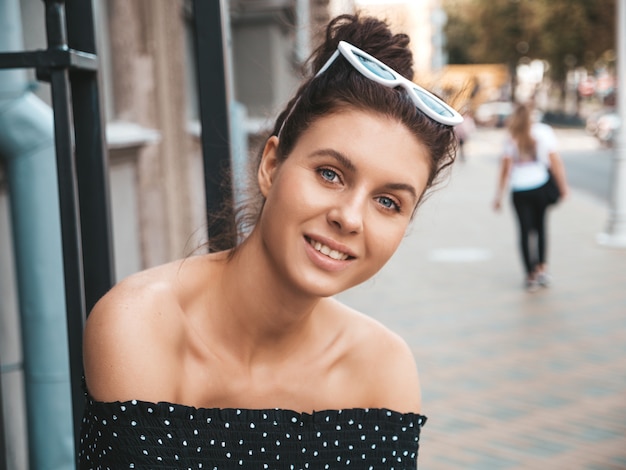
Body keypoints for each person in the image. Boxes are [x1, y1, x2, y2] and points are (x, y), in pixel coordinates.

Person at [79, 13, 462, 468]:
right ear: (272, 166)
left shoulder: (383, 371)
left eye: (387, 202)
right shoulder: (142, 324)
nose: (349, 218)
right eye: (330, 174)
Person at [493, 103, 568, 292]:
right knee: (541, 227)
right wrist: (563, 186)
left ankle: (530, 275)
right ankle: (542, 268)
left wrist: (499, 195)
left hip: (519, 190)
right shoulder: (543, 131)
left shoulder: (511, 136)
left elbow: (505, 170)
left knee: (524, 232)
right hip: (541, 186)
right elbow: (555, 161)